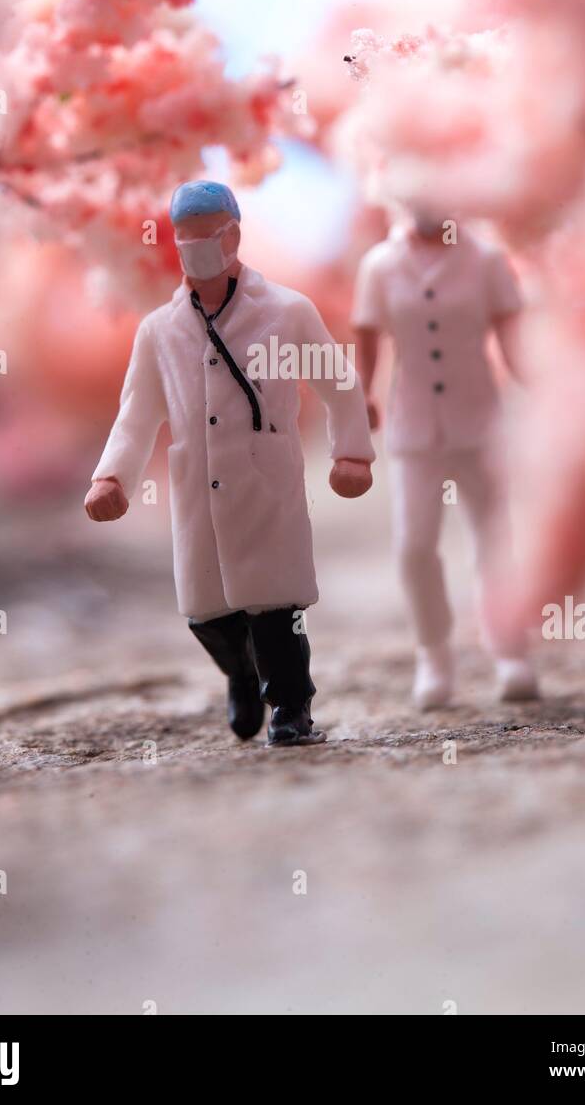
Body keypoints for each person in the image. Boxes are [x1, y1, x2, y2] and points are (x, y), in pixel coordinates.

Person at [86, 179, 375, 746]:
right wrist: (111, 476)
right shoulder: (159, 331)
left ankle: (291, 708)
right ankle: (239, 673)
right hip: (199, 491)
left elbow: (340, 388)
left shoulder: (288, 312)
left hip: (265, 484)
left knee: (276, 608)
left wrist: (352, 455)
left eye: (206, 236)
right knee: (208, 615)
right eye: (183, 239)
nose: (193, 249)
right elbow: (136, 415)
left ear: (234, 235)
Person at [351, 203, 539, 708]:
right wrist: (360, 395)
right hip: (414, 425)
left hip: (479, 420)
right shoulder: (380, 264)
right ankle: (433, 654)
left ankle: (509, 649)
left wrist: (546, 388)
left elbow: (513, 340)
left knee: (494, 540)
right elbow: (366, 336)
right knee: (415, 545)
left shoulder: (486, 258)